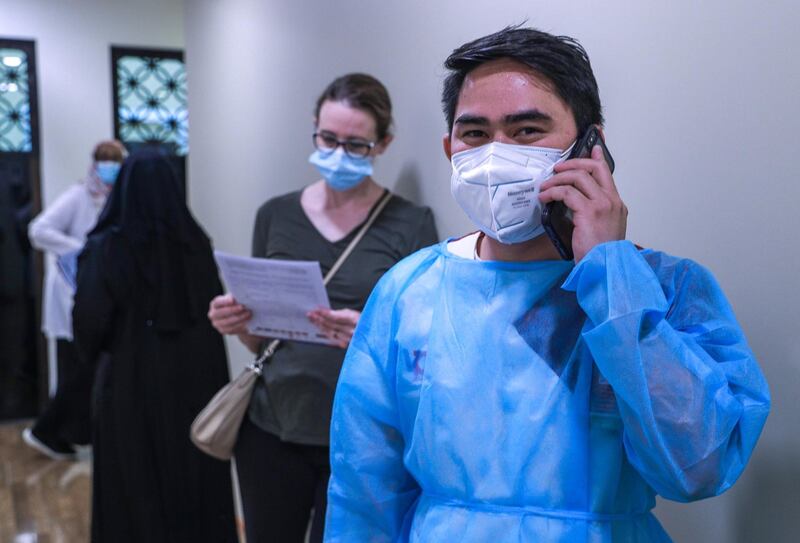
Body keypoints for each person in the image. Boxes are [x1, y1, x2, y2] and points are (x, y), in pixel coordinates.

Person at [324, 26, 771, 542]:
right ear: (450, 148)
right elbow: (363, 492)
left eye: (527, 130)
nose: (496, 155)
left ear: (591, 145)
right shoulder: (408, 293)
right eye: (475, 134)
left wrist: (609, 271)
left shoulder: (664, 289)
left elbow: (699, 467)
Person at [207, 73, 438, 542]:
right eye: (328, 138)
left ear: (382, 144)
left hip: (362, 434)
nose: (338, 153)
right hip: (274, 424)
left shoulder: (411, 224)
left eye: (355, 145)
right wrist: (238, 324)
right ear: (314, 128)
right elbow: (264, 334)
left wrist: (370, 336)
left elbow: (426, 343)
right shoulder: (275, 214)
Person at [72, 152, 237, 542]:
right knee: (194, 483)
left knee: (130, 484)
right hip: (195, 385)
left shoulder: (106, 247)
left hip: (127, 386)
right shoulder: (195, 243)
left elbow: (88, 325)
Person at [22, 140, 126, 459]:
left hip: (96, 295)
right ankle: (45, 430)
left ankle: (70, 434)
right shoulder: (79, 195)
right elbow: (38, 230)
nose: (110, 167)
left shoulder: (116, 198)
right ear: (94, 163)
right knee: (78, 371)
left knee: (88, 370)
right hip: (70, 294)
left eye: (115, 161)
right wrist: (80, 249)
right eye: (105, 161)